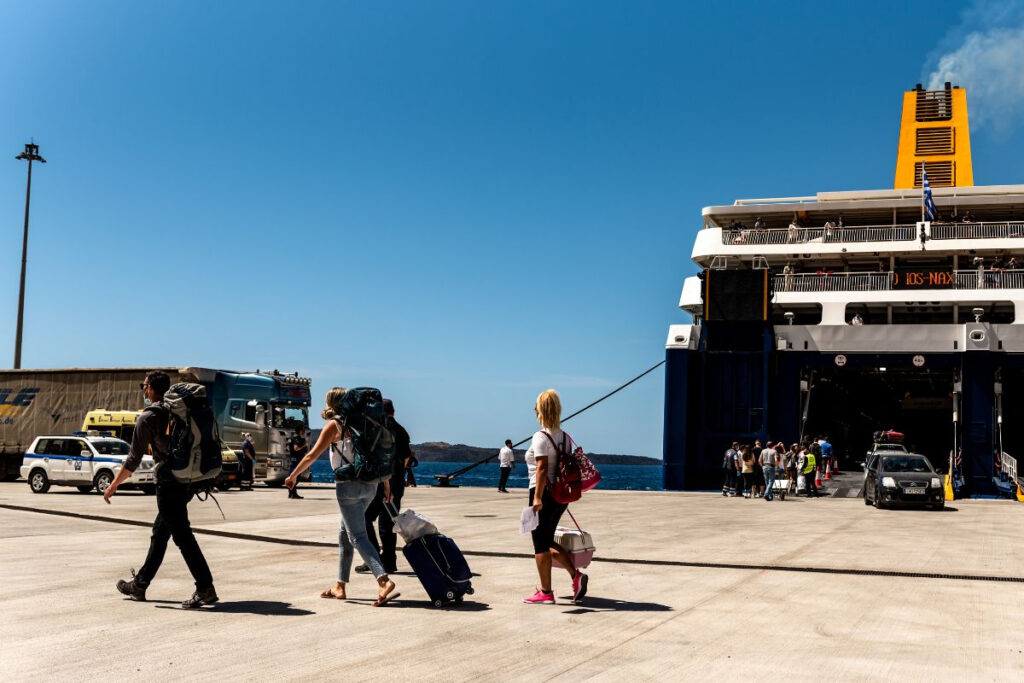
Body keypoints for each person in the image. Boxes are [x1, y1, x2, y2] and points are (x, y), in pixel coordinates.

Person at [106, 371, 218, 608]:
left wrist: (114, 485)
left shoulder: (148, 416)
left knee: (182, 536)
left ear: (151, 388)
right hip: (187, 481)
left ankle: (205, 588)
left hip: (168, 484)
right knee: (160, 533)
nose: (143, 390)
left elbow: (133, 459)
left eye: (144, 386)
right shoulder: (179, 410)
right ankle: (140, 584)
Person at [285, 387, 398, 606]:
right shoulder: (363, 423)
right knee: (344, 534)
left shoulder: (335, 425)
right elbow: (378, 456)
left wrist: (293, 475)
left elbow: (311, 455)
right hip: (371, 485)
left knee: (357, 536)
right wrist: (386, 485)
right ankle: (340, 585)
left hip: (348, 487)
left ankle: (383, 579)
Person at [524, 389, 588, 604]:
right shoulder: (565, 437)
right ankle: (575, 576)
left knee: (539, 544)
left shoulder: (540, 436)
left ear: (540, 410)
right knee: (546, 539)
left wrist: (537, 498)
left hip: (543, 492)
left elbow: (542, 468)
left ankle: (546, 592)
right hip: (561, 495)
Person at [356, 398, 410, 575]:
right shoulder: (401, 431)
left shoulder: (377, 430)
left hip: (381, 482)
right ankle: (389, 561)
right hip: (397, 483)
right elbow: (407, 459)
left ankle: (374, 558)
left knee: (365, 519)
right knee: (388, 523)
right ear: (393, 412)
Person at [286, 429, 307, 499]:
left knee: (294, 476)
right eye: (303, 430)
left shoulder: (291, 439)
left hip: (293, 459)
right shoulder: (298, 439)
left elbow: (287, 447)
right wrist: (304, 445)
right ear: (300, 431)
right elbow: (296, 448)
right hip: (297, 460)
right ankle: (293, 494)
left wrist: (292, 453)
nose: (304, 431)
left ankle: (291, 493)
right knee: (296, 477)